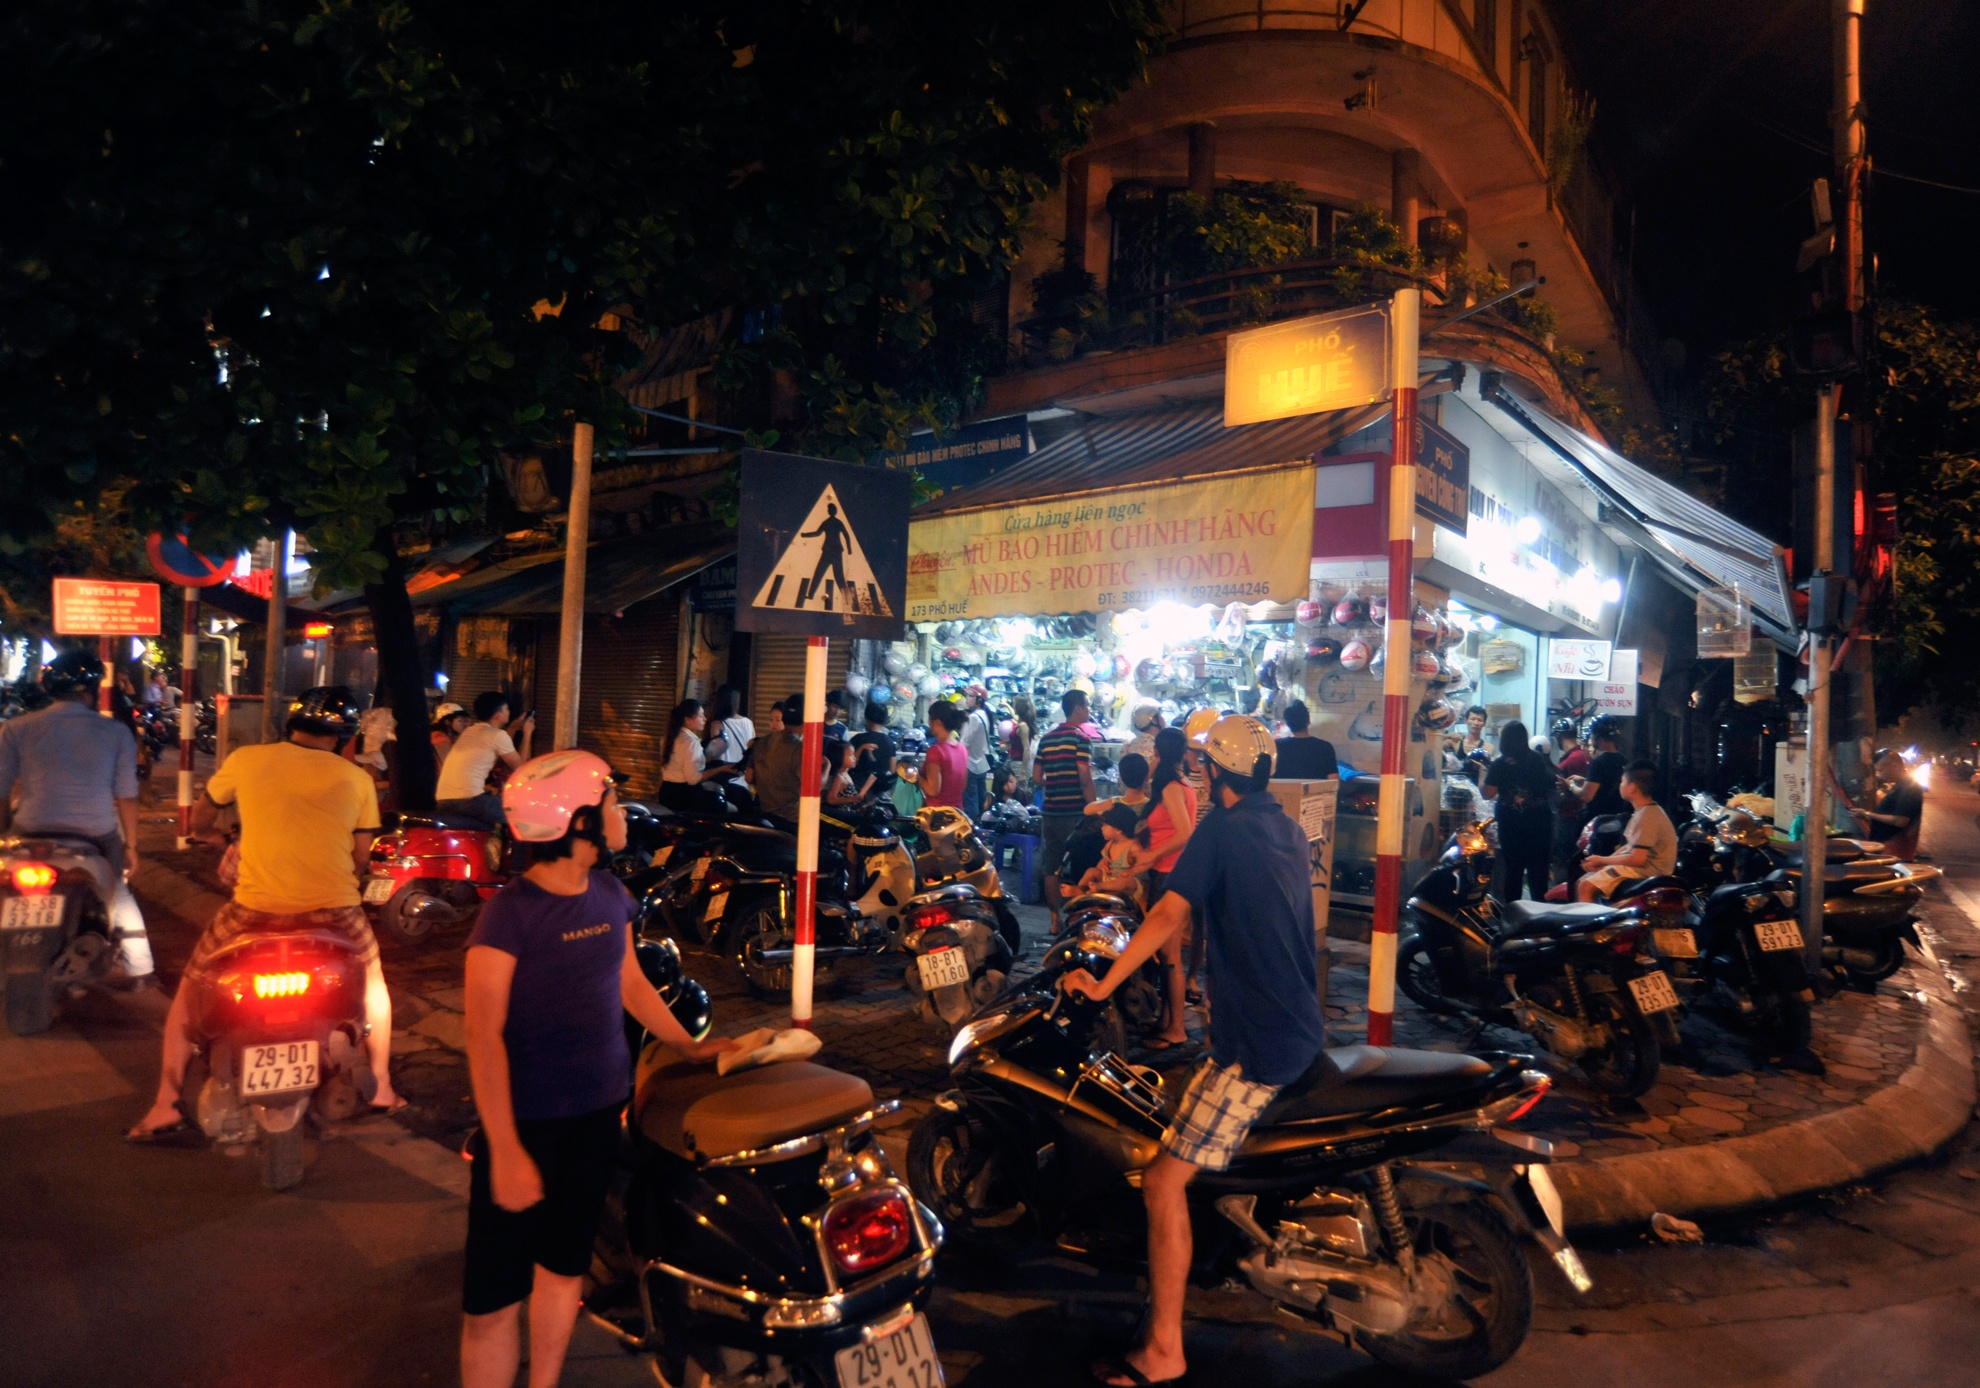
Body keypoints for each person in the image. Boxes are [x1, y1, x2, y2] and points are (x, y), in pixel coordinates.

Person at [1061, 716, 1326, 1388]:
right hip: (1297, 1025)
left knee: (1162, 1181)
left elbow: (1166, 916)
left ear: (1213, 774)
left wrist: (1102, 985)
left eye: (1205, 767)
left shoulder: (1223, 829)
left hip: (1258, 1044)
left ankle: (1164, 1351)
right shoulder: (1286, 829)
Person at [459, 750, 733, 1388]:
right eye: (610, 801)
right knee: (493, 1301)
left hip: (597, 1116)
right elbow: (483, 1034)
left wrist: (687, 1046)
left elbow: (629, 982)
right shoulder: (510, 913)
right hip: (526, 1126)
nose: (622, 813)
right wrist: (506, 1149)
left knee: (563, 1270)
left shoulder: (611, 894)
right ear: (576, 821)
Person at [129, 688, 403, 1139]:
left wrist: (213, 837)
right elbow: (360, 855)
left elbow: (200, 818)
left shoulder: (248, 759)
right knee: (373, 986)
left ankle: (165, 1103)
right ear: (344, 735)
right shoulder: (356, 779)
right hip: (334, 912)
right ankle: (382, 1087)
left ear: (291, 724)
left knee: (191, 990)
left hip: (254, 911)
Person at [0, 650, 153, 984]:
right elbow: (126, 796)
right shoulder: (116, 732)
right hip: (94, 833)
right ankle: (139, 969)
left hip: (29, 831)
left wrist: (5, 835)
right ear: (93, 690)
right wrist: (131, 847)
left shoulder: (15, 728)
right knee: (119, 893)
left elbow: (1, 790)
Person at [1130, 728, 1200, 1051]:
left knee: (1170, 956)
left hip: (1170, 874)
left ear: (1158, 752)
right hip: (1169, 873)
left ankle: (1177, 1029)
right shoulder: (1180, 784)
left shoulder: (1173, 788)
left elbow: (1185, 834)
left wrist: (1151, 855)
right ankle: (1166, 1020)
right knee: (1165, 954)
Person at [1036, 690, 1098, 932]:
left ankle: (1054, 920)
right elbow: (1085, 777)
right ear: (1078, 708)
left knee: (1052, 866)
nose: (1090, 710)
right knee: (1083, 865)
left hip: (1051, 812)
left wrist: (1055, 783)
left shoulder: (1046, 739)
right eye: (1088, 705)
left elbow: (1037, 777)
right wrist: (1092, 808)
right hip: (1075, 814)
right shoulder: (1081, 739)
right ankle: (1078, 919)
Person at [1577, 759, 1678, 901]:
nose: (1620, 786)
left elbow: (1637, 859)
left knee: (1586, 886)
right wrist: (1605, 863)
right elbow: (1629, 847)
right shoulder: (1645, 811)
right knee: (1584, 880)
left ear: (1632, 787)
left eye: (1622, 782)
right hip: (1642, 869)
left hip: (1648, 872)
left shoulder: (1647, 816)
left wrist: (1602, 859)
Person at [437, 692, 535, 829]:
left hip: (442, 800)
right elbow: (520, 768)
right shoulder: (498, 735)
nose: (509, 712)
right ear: (498, 715)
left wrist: (512, 728)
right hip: (471, 801)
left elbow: (498, 748)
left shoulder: (469, 731)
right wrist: (527, 734)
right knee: (523, 813)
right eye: (507, 708)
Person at [1482, 720, 1554, 901]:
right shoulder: (1537, 759)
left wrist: (1482, 774)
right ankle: (1540, 911)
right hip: (1539, 823)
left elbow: (1488, 793)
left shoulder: (1499, 764)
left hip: (1511, 825)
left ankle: (1513, 912)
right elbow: (1547, 785)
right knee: (1538, 873)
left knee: (1513, 871)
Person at [658, 699, 734, 814]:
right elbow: (693, 779)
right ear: (688, 719)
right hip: (686, 797)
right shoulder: (690, 742)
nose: (705, 719)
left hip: (666, 792)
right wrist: (720, 769)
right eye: (701, 715)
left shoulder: (667, 738)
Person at [1853, 747, 1926, 859]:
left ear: (1895, 766)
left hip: (1894, 850)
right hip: (1888, 848)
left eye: (1880, 771)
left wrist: (1867, 814)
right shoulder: (1900, 785)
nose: (1879, 775)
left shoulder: (1910, 787)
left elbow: (1900, 821)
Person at [746, 698, 805, 833]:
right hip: (792, 817)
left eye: (777, 720)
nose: (774, 723)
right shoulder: (799, 748)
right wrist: (827, 765)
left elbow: (749, 777)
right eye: (771, 719)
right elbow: (813, 786)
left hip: (765, 812)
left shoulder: (760, 742)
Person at [1077, 802, 1147, 908]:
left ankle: (1098, 887)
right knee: (1091, 871)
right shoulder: (1110, 844)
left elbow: (1145, 864)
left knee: (1127, 882)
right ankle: (1080, 890)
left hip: (1127, 886)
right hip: (1109, 878)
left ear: (1118, 830)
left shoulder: (1133, 846)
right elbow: (1101, 864)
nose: (1102, 828)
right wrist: (1103, 865)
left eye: (1105, 825)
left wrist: (1132, 871)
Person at [1568, 716, 1628, 822]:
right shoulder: (1623, 760)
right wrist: (1585, 780)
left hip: (1596, 821)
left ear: (1597, 739)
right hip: (1616, 820)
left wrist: (1570, 785)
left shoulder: (1598, 762)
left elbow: (1586, 796)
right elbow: (1607, 784)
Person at [917, 702, 968, 813]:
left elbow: (933, 790)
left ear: (937, 722)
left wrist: (918, 777)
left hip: (938, 815)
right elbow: (963, 785)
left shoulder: (936, 751)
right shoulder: (962, 749)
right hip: (958, 813)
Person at [1272, 700, 1339, 781]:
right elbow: (1333, 781)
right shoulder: (1325, 747)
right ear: (1308, 721)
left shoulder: (1276, 746)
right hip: (1316, 790)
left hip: (1282, 790)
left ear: (1287, 724)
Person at [958, 684, 993, 820]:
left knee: (970, 801)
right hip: (981, 764)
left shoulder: (974, 717)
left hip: (970, 764)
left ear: (978, 700)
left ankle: (971, 827)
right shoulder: (983, 715)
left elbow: (964, 742)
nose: (967, 698)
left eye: (970, 696)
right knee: (981, 800)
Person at [850, 702, 898, 800]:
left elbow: (849, 763)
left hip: (857, 787)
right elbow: (892, 769)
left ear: (867, 717)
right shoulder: (890, 742)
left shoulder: (857, 739)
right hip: (880, 789)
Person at [704, 688, 754, 769]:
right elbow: (752, 746)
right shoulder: (748, 722)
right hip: (742, 769)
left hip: (725, 770)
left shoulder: (717, 724)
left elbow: (715, 752)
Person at [823, 739, 875, 809]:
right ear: (839, 757)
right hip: (844, 811)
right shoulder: (839, 778)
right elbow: (831, 799)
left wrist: (862, 748)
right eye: (850, 755)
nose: (854, 758)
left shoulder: (845, 772)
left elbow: (854, 759)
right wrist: (852, 799)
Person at [432, 702, 469, 773]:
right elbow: (448, 767)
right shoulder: (440, 739)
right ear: (447, 722)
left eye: (465, 721)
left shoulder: (443, 737)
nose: (465, 724)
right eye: (460, 721)